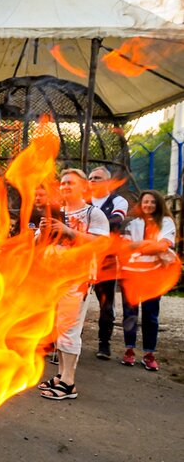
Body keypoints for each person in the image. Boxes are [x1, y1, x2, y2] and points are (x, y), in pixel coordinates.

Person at [37, 169, 109, 400]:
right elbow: (38, 242)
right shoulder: (56, 211)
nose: (65, 186)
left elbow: (102, 244)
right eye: (63, 183)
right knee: (59, 328)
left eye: (71, 182)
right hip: (53, 277)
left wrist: (68, 231)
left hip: (76, 279)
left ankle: (68, 383)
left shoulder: (93, 214)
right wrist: (43, 233)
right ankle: (61, 375)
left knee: (69, 329)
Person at [120, 190, 175, 371]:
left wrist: (139, 247)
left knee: (151, 316)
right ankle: (129, 350)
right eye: (145, 202)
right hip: (131, 275)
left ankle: (149, 354)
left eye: (152, 202)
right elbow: (124, 248)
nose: (148, 205)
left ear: (158, 204)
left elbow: (162, 244)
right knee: (130, 315)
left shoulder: (166, 222)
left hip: (153, 276)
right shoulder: (133, 223)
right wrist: (150, 247)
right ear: (141, 204)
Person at [87, 167, 128, 360]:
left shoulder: (118, 201)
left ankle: (104, 344)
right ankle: (67, 340)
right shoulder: (84, 201)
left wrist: (90, 228)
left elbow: (116, 222)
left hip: (107, 259)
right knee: (74, 300)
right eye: (91, 178)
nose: (93, 180)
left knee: (105, 302)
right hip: (84, 257)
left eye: (98, 178)